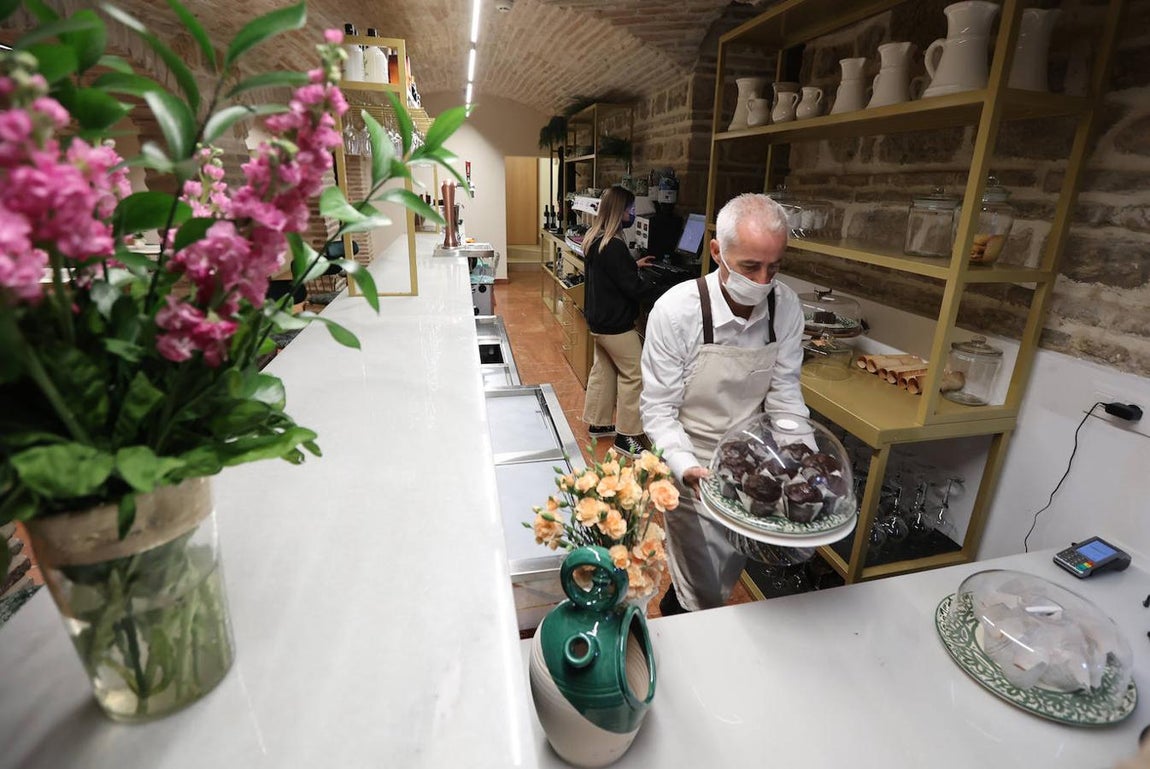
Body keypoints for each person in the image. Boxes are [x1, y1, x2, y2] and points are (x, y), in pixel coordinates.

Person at [640, 192, 808, 613]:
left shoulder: (785, 307)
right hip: (689, 459)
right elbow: (658, 410)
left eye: (775, 266)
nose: (763, 280)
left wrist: (801, 461)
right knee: (701, 585)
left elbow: (785, 398)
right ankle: (678, 628)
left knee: (728, 566)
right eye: (751, 266)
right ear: (716, 251)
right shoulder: (677, 311)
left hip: (750, 467)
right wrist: (683, 465)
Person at [581, 185, 659, 457]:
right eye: (631, 210)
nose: (633, 214)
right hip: (615, 325)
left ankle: (598, 423)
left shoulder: (595, 238)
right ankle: (626, 438)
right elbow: (634, 289)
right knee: (634, 375)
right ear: (619, 211)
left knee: (603, 369)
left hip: (597, 322)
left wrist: (632, 266)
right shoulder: (613, 246)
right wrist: (663, 289)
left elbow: (611, 273)